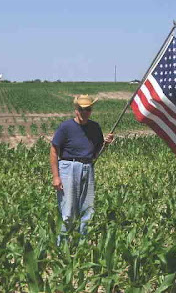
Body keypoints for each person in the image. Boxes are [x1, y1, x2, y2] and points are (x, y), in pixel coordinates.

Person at [49, 94, 113, 243]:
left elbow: (96, 152)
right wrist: (56, 176)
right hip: (68, 167)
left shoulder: (95, 127)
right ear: (75, 110)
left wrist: (106, 144)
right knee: (68, 210)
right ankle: (62, 246)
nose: (84, 113)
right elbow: (53, 150)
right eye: (81, 109)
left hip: (88, 167)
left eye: (88, 110)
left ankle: (82, 245)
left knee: (87, 209)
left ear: (91, 110)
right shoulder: (66, 127)